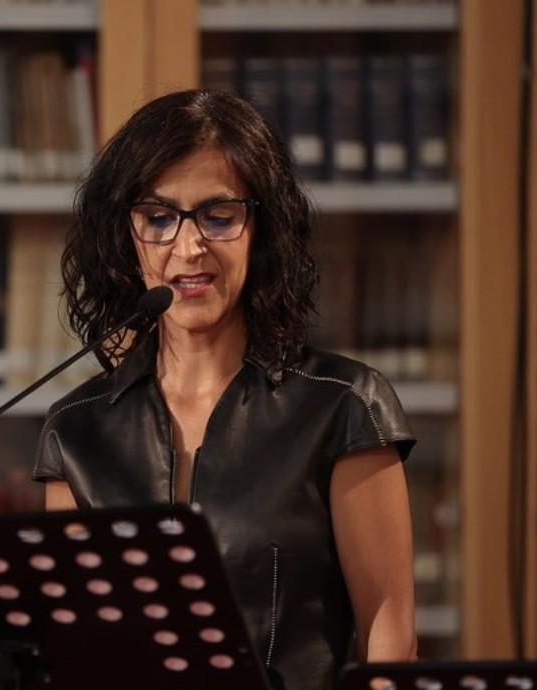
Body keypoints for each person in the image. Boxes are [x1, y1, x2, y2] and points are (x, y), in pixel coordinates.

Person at [32, 89, 417, 690]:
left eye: (218, 216)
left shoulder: (345, 405)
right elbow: (78, 650)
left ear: (261, 229)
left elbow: (389, 645)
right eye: (158, 218)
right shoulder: (77, 431)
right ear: (127, 234)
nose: (188, 248)